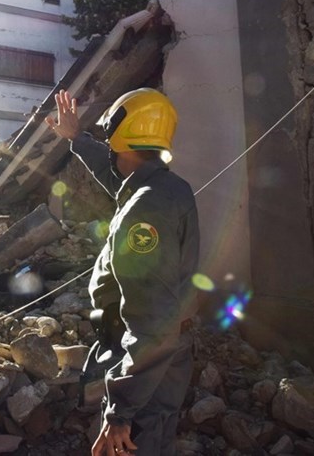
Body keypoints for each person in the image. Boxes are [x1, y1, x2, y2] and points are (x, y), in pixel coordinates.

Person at [45, 88, 200, 456]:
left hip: (144, 363)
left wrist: (120, 411)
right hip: (155, 361)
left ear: (120, 139)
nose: (109, 148)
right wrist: (77, 139)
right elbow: (118, 178)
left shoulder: (145, 210)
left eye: (110, 140)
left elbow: (154, 319)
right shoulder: (165, 188)